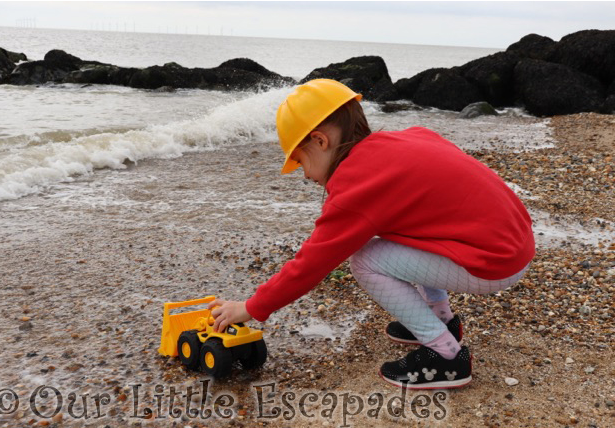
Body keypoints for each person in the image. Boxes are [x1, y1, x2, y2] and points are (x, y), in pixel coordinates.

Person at [208, 79, 535, 389]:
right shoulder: (409, 137)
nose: (305, 174)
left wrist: (251, 307)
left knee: (365, 260)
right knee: (408, 232)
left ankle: (446, 355)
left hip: (493, 263)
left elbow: (312, 263)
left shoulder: (358, 184)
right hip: (514, 242)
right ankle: (441, 319)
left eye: (299, 160)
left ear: (320, 141)